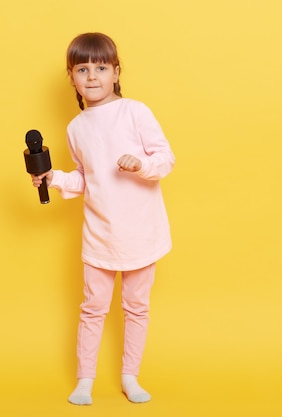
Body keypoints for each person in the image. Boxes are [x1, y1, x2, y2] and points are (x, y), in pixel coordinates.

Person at [30, 32, 175, 405]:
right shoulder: (76, 128)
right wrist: (53, 178)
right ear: (72, 77)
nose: (92, 76)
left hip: (141, 231)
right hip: (100, 233)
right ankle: (85, 379)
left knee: (136, 306)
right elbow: (85, 176)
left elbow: (165, 159)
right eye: (82, 69)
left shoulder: (135, 112)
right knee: (93, 307)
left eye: (100, 67)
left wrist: (140, 164)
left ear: (115, 72)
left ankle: (130, 375)